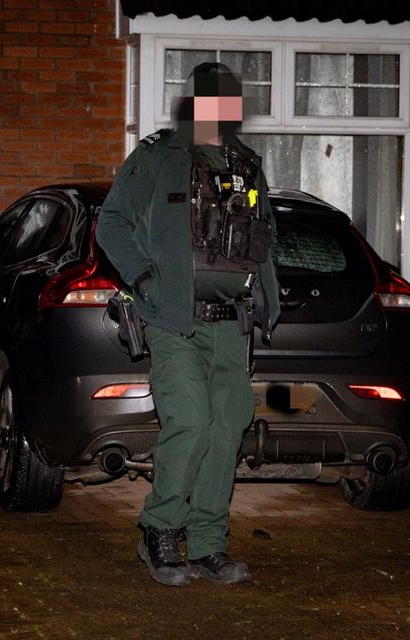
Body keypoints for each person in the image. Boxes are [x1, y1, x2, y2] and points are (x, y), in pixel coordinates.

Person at [96, 62, 280, 587]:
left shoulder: (247, 165)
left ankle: (206, 545)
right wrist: (145, 280)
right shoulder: (159, 156)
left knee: (227, 429)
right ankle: (159, 530)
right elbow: (111, 223)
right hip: (174, 321)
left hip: (231, 325)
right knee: (191, 422)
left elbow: (262, 236)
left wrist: (269, 298)